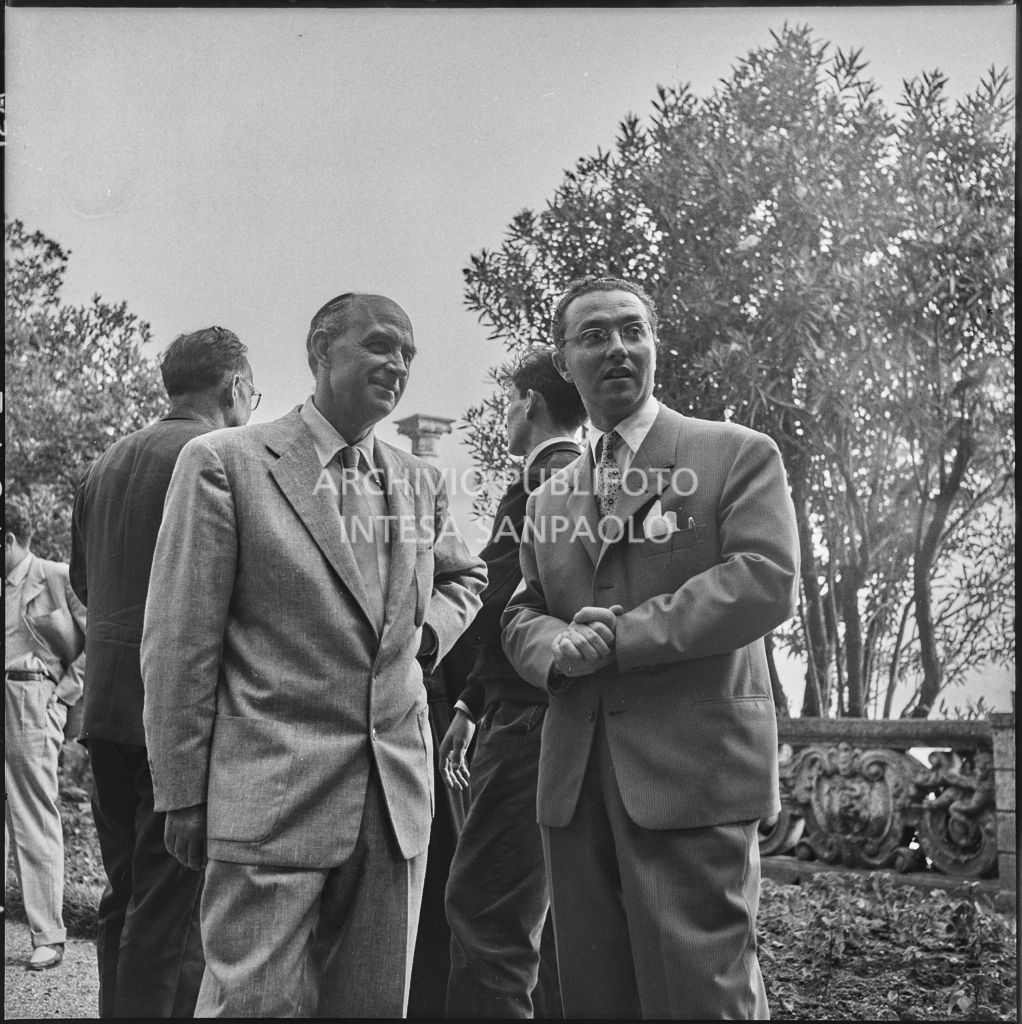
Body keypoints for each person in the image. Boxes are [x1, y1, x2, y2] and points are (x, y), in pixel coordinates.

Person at [140, 292, 487, 1018]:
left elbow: (465, 575)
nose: (398, 364)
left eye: (408, 355)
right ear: (320, 351)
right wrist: (181, 792)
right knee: (251, 1006)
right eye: (380, 345)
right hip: (270, 793)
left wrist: (422, 638)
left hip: (395, 805)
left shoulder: (419, 481)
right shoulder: (225, 463)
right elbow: (179, 644)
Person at [501, 276, 800, 1019]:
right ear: (565, 360)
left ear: (654, 345)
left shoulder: (736, 453)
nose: (617, 349)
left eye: (632, 330)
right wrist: (554, 646)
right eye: (593, 336)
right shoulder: (548, 496)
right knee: (597, 1000)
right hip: (575, 781)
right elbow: (521, 612)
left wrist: (618, 639)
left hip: (693, 774)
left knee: (705, 995)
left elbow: (764, 580)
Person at [69, 326, 255, 1017]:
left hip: (105, 705)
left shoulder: (104, 464)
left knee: (124, 892)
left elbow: (85, 585)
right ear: (234, 388)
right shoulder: (220, 458)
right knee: (173, 909)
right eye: (252, 389)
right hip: (175, 715)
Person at [441, 347, 585, 1018]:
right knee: (543, 929)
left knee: (485, 917)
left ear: (529, 402)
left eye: (507, 400)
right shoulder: (575, 474)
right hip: (534, 717)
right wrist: (473, 701)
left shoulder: (549, 480)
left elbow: (505, 607)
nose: (504, 413)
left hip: (528, 729)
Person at [5, 499, 87, 972]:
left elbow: (92, 645)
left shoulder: (58, 576)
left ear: (9, 540)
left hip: (31, 703)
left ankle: (48, 936)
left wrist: (60, 701)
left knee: (34, 812)